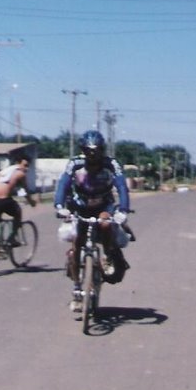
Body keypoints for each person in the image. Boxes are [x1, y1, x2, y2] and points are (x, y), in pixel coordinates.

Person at [54, 130, 132, 312]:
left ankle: (107, 256)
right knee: (76, 247)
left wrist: (123, 210)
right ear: (83, 151)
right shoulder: (75, 163)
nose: (93, 155)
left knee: (105, 224)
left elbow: (121, 187)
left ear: (102, 150)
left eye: (96, 151)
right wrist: (59, 206)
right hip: (80, 205)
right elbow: (63, 184)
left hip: (104, 205)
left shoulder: (111, 164)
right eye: (88, 151)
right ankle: (76, 288)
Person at [0, 154, 35, 247]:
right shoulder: (20, 174)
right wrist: (32, 202)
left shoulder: (4, 171)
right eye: (25, 165)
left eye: (28, 166)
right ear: (18, 163)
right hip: (4, 201)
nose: (26, 168)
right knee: (17, 213)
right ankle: (12, 239)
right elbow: (26, 191)